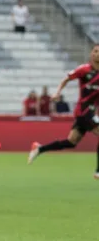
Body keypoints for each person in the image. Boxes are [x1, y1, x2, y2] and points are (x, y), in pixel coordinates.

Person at [28, 44, 99, 180]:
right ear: (91, 54)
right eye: (95, 51)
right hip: (83, 112)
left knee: (71, 142)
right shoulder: (84, 70)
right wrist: (57, 92)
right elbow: (66, 79)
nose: (97, 54)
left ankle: (39, 149)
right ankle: (98, 171)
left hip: (89, 113)